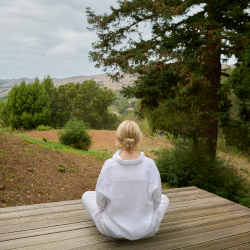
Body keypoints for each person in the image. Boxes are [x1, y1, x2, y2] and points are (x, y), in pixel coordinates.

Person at [82, 120, 169, 240]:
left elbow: (100, 204)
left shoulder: (109, 165)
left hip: (112, 230)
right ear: (139, 139)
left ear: (118, 139)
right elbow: (156, 203)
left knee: (87, 195)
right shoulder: (150, 165)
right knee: (165, 198)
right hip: (147, 230)